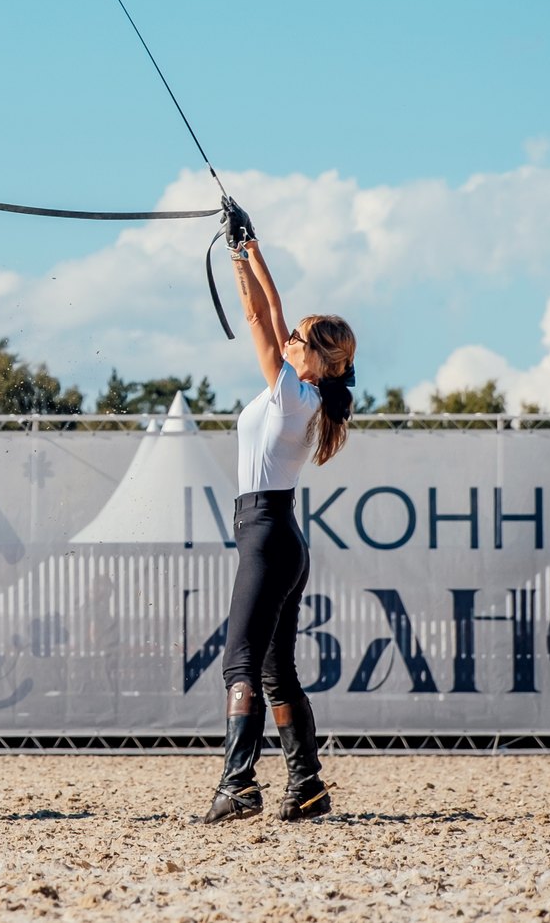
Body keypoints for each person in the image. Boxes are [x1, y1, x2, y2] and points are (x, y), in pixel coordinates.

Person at [197, 199, 356, 824]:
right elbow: (269, 315)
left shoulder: (293, 395)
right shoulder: (302, 392)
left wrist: (245, 251)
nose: (289, 339)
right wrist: (245, 249)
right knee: (274, 670)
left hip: (265, 536)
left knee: (242, 663)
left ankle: (239, 786)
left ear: (316, 357)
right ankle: (308, 785)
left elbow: (262, 315)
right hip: (280, 537)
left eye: (300, 338)